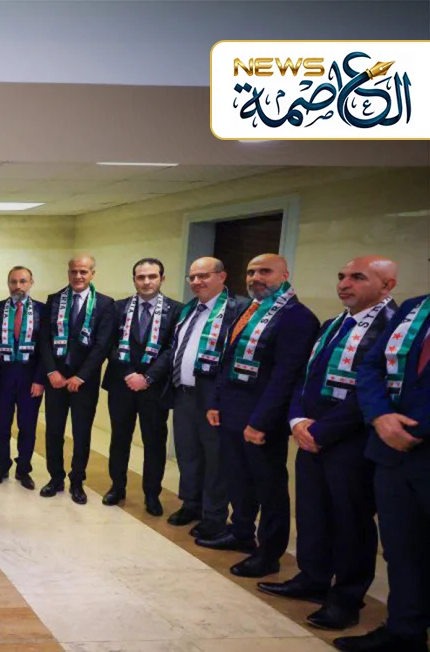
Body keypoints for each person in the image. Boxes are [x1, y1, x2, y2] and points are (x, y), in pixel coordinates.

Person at [258, 256, 398, 631]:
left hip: (351, 441)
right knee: (312, 512)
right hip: (310, 435)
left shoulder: (393, 327)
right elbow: (305, 377)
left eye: (357, 277)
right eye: (341, 276)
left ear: (387, 285)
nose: (344, 284)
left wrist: (323, 430)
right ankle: (313, 577)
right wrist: (297, 419)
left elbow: (373, 389)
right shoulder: (334, 323)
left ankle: (346, 597)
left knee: (350, 521)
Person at [201, 253, 319, 578]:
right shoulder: (250, 311)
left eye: (265, 272)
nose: (255, 278)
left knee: (269, 488)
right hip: (232, 412)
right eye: (251, 272)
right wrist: (216, 401)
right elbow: (227, 359)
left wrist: (260, 422)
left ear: (285, 275)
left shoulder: (297, 317)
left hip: (263, 420)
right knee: (238, 479)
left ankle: (268, 554)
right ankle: (241, 532)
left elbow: (286, 376)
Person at [334, 292, 430, 652]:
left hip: (417, 440)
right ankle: (404, 631)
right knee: (402, 549)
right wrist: (379, 415)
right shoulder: (414, 308)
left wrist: (417, 427)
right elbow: (371, 366)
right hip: (391, 450)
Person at [167, 257, 249, 541]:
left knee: (215, 459)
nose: (196, 282)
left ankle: (214, 516)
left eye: (203, 276)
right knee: (188, 453)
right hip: (184, 394)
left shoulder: (239, 309)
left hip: (214, 399)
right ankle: (191, 504)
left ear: (222, 276)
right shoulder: (189, 309)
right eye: (192, 277)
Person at [101, 258, 182, 516]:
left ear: (162, 278)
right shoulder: (118, 307)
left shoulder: (176, 310)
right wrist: (129, 374)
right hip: (121, 384)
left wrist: (148, 378)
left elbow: (172, 349)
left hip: (154, 388)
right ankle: (117, 487)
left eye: (152, 276)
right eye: (141, 277)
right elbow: (110, 344)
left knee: (154, 442)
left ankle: (152, 494)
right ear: (134, 279)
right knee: (119, 438)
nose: (146, 282)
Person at [39, 254, 115, 505]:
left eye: (84, 271)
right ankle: (55, 478)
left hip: (85, 382)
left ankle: (77, 481)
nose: (78, 276)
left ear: (92, 273)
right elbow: (44, 340)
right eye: (74, 271)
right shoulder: (54, 300)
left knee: (81, 433)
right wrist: (52, 371)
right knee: (54, 432)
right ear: (68, 273)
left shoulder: (105, 304)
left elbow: (102, 346)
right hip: (56, 381)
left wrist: (81, 376)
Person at [0, 266, 47, 490]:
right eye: (13, 282)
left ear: (31, 282)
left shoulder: (43, 310)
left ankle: (23, 469)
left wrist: (40, 379)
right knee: (1, 426)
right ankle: (1, 466)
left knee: (28, 427)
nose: (18, 286)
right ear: (8, 284)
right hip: (2, 378)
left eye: (23, 281)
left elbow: (46, 348)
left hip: (30, 379)